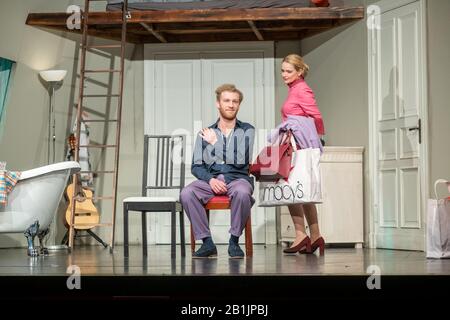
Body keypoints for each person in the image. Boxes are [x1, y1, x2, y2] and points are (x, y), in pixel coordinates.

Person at [180, 84, 255, 259]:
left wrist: (216, 143)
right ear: (218, 104)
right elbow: (196, 166)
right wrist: (210, 180)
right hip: (212, 181)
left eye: (235, 101)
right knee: (187, 193)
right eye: (227, 100)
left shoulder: (247, 130)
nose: (231, 105)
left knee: (243, 193)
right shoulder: (206, 132)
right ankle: (207, 242)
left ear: (239, 104)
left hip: (237, 180)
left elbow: (240, 161)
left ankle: (234, 242)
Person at [277, 54, 326, 255]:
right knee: (303, 191)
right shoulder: (294, 90)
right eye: (282, 71)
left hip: (301, 146)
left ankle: (300, 235)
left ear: (299, 71)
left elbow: (316, 117)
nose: (284, 75)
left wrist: (313, 142)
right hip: (298, 144)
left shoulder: (302, 89)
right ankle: (315, 236)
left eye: (289, 71)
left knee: (290, 188)